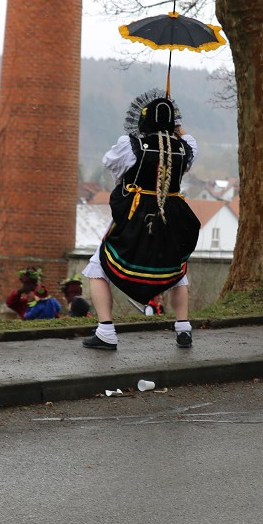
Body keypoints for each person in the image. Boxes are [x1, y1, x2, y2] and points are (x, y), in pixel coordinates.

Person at [82, 91, 201, 351]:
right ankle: (183, 329)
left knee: (99, 265)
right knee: (177, 269)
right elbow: (182, 146)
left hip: (138, 216)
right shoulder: (186, 146)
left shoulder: (131, 144)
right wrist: (172, 124)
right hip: (173, 217)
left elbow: (110, 164)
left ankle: (106, 332)